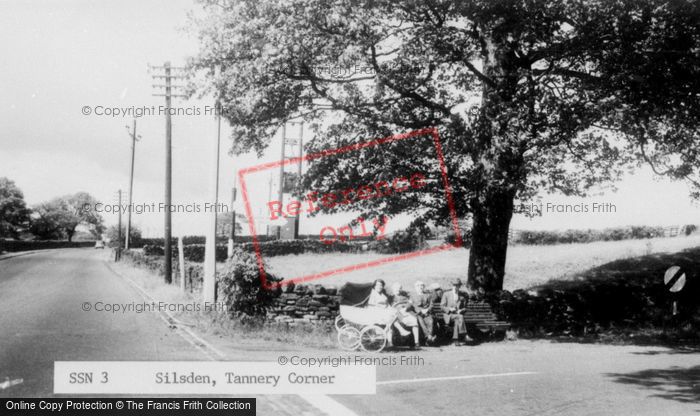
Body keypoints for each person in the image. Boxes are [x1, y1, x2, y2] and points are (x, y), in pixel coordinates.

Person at [390, 282, 421, 349]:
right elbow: (390, 307)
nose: (398, 290)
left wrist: (405, 308)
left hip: (406, 312)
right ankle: (391, 342)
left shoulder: (404, 296)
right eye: (396, 289)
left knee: (414, 321)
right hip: (396, 314)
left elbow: (410, 303)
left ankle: (416, 342)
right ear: (393, 289)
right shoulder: (391, 297)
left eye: (399, 289)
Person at [440, 279, 468, 345]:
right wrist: (449, 309)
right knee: (460, 317)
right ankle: (464, 335)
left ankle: (456, 339)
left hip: (457, 316)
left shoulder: (462, 296)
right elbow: (441, 306)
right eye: (454, 285)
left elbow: (465, 308)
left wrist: (461, 310)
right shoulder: (446, 294)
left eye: (457, 286)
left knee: (457, 320)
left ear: (459, 287)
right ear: (452, 286)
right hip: (449, 315)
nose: (455, 287)